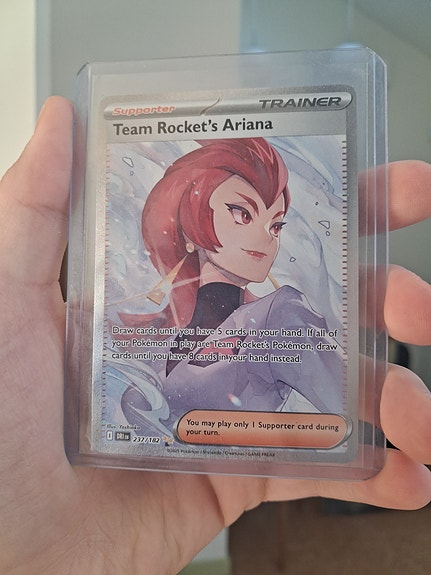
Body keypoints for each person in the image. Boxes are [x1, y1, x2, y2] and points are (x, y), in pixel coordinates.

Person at [0, 96, 430, 574]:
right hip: (127, 505)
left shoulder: (281, 314)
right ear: (191, 222)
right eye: (243, 214)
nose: (266, 237)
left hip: (205, 494)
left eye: (276, 223)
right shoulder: (157, 333)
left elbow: (338, 406)